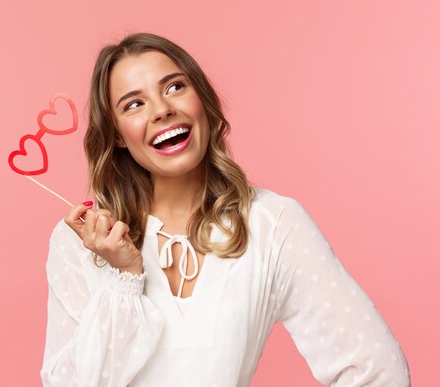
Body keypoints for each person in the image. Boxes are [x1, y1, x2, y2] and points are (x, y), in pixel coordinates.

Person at [39, 32, 410, 387]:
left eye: (174, 87)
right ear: (117, 134)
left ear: (201, 100)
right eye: (134, 104)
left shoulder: (273, 224)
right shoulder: (80, 242)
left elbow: (377, 372)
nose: (163, 110)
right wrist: (124, 278)